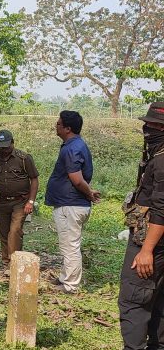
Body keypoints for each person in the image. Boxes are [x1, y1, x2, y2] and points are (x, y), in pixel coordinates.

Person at [94, 103, 164, 350]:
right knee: (158, 300)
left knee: (134, 300)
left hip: (152, 243)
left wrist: (146, 249)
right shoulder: (157, 156)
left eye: (154, 126)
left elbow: (161, 209)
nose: (146, 129)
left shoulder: (161, 161)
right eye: (147, 124)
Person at [44, 110, 99, 293]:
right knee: (68, 243)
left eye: (59, 124)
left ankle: (70, 285)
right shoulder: (75, 145)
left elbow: (76, 178)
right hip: (71, 203)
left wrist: (89, 192)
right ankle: (65, 277)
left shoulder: (72, 148)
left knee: (70, 245)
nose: (56, 126)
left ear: (68, 128)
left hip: (71, 205)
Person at [0, 130, 39, 270]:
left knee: (15, 231)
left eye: (6, 146)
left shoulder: (24, 158)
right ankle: (6, 263)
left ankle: (14, 263)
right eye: (1, 147)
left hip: (20, 202)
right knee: (3, 232)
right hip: (2, 202)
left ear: (13, 143)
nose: (4, 150)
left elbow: (34, 179)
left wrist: (31, 201)